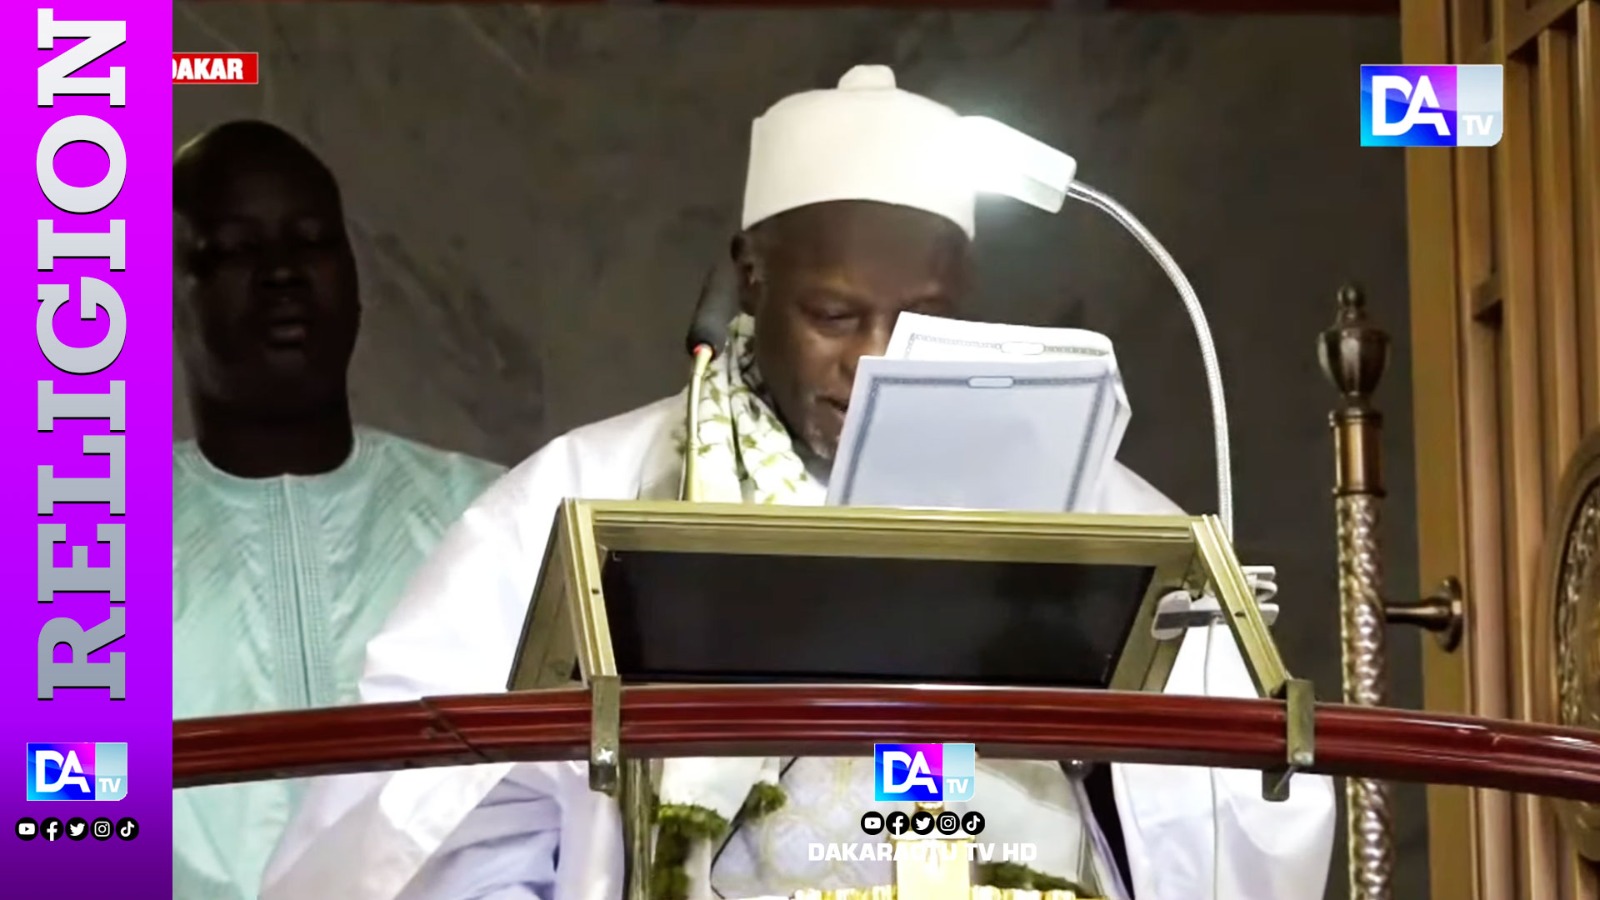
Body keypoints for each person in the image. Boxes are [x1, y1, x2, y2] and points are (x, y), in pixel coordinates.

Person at [262, 68, 1335, 900]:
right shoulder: (585, 494)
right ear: (752, 278)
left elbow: (1241, 805)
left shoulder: (1093, 504)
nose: (873, 360)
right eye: (834, 315)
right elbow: (424, 816)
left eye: (922, 318)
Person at [171, 120, 506, 900]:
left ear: (356, 283)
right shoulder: (79, 550)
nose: (283, 274)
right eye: (235, 249)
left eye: (313, 241)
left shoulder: (488, 518)